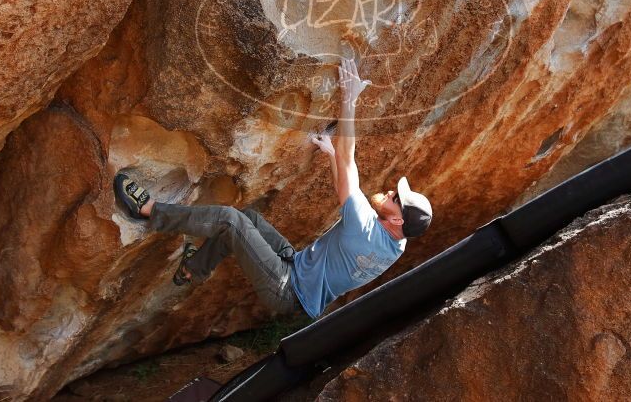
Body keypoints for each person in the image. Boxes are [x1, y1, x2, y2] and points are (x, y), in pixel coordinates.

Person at [113, 58, 433, 319]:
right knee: (249, 220)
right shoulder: (396, 245)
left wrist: (350, 98)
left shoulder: (365, 230)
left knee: (230, 222)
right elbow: (345, 183)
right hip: (296, 269)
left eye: (396, 200)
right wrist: (333, 154)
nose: (391, 192)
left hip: (286, 286)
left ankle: (150, 212)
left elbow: (351, 167)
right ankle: (191, 270)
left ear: (397, 221)